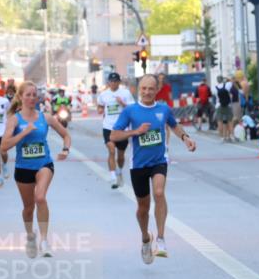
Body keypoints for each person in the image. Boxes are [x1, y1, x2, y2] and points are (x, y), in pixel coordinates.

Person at [109, 74, 197, 263]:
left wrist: (186, 138)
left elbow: (174, 126)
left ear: (157, 90)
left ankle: (161, 238)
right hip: (138, 164)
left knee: (159, 192)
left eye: (151, 88)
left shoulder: (163, 109)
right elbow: (114, 136)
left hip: (159, 161)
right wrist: (135, 132)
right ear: (138, 90)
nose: (147, 92)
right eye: (144, 88)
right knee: (143, 207)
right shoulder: (130, 111)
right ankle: (145, 238)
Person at [0, 80, 71, 258]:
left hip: (44, 163)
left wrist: (65, 149)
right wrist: (24, 132)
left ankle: (44, 241)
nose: (32, 98)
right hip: (23, 167)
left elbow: (66, 134)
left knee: (40, 197)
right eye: (28, 95)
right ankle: (31, 235)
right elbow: (4, 146)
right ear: (21, 97)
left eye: (34, 95)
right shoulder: (14, 120)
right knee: (28, 208)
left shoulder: (45, 117)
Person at [97, 72, 135, 189]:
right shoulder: (103, 95)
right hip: (108, 127)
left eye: (115, 81)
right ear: (108, 82)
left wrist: (122, 103)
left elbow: (132, 109)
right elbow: (100, 106)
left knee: (121, 156)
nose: (113, 83)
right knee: (111, 150)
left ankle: (119, 171)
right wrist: (100, 110)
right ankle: (113, 177)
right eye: (111, 81)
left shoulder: (125, 93)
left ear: (119, 82)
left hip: (122, 128)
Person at [215, 76, 234, 141]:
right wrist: (226, 78)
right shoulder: (227, 85)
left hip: (219, 106)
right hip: (227, 105)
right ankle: (231, 135)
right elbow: (232, 81)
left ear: (217, 80)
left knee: (220, 121)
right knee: (230, 121)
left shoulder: (215, 88)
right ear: (222, 80)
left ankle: (222, 137)